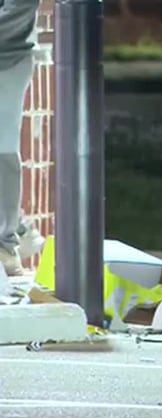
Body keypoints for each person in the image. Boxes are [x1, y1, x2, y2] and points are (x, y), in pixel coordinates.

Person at [0, 0, 45, 276]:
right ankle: (20, 226)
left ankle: (5, 244)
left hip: (6, 57)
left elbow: (21, 5)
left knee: (1, 148)